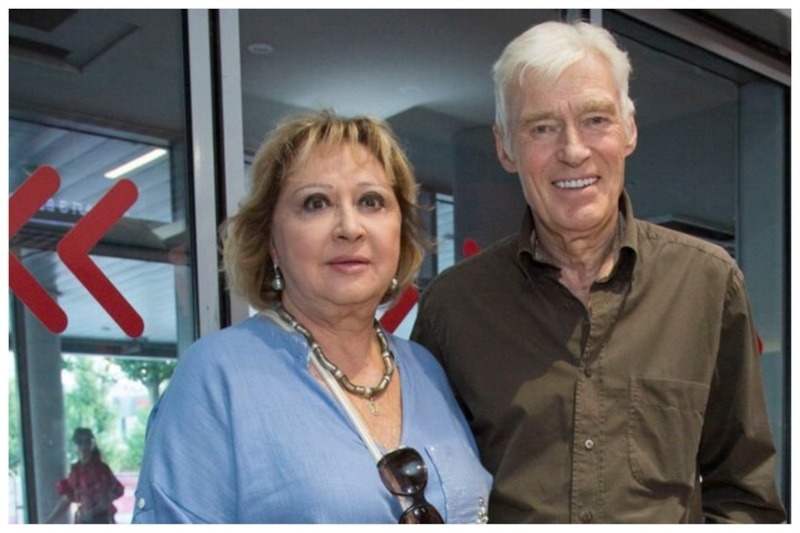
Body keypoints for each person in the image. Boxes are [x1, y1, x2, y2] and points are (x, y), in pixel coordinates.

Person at [411, 20, 786, 524]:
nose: (573, 150)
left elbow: (743, 496)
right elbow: (432, 496)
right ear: (504, 147)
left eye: (595, 120)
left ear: (629, 129)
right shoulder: (453, 307)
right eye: (541, 127)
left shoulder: (709, 285)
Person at [131, 110, 491, 524]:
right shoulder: (217, 377)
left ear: (400, 230)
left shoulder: (426, 369)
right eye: (316, 203)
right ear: (271, 240)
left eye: (371, 201)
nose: (350, 227)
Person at [44, 428, 124, 524]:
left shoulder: (101, 469)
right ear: (75, 445)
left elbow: (115, 492)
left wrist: (94, 511)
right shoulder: (76, 470)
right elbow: (68, 498)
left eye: (87, 441)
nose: (84, 446)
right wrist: (49, 521)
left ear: (92, 443)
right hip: (83, 519)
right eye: (80, 442)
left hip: (101, 519)